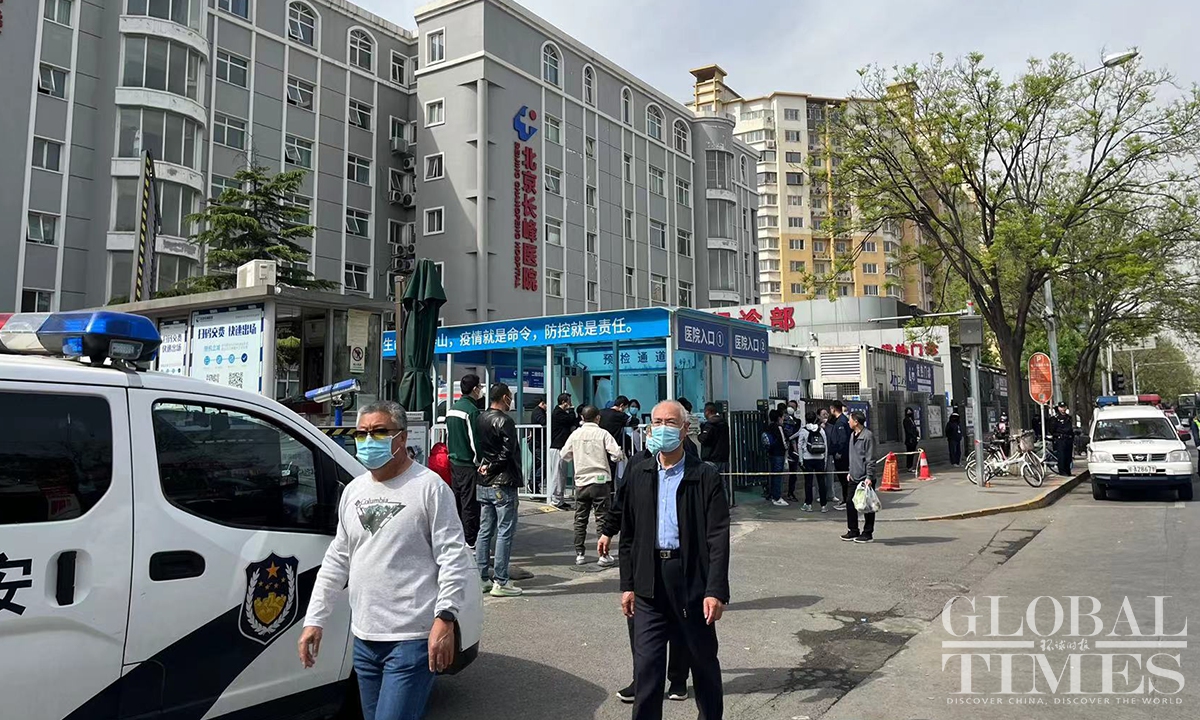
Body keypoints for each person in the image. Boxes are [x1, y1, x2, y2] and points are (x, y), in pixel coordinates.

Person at [300, 401, 474, 720]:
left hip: (411, 641)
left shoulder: (430, 489)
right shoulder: (354, 491)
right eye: (362, 432)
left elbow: (453, 556)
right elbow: (338, 559)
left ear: (402, 437)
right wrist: (315, 619)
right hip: (365, 640)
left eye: (380, 432)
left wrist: (445, 618)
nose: (369, 440)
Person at [620, 400, 730, 720]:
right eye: (657, 422)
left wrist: (715, 589)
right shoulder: (639, 471)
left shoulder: (704, 476)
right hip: (649, 582)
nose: (663, 428)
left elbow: (717, 538)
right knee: (647, 667)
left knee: (703, 663)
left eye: (671, 422)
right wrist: (627, 585)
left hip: (690, 579)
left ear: (685, 429)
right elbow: (629, 535)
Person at [475, 383, 524, 597]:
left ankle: (481, 576)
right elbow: (507, 453)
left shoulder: (480, 418)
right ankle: (501, 581)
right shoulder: (505, 421)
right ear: (505, 398)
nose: (511, 400)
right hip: (503, 481)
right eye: (510, 397)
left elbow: (481, 448)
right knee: (505, 531)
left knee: (485, 531)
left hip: (484, 480)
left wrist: (486, 467)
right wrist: (493, 467)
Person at [561, 404, 625, 566]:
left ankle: (580, 554)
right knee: (602, 517)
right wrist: (613, 459)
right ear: (598, 418)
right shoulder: (603, 433)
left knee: (580, 518)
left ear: (582, 417)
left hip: (581, 481)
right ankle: (603, 555)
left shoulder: (576, 434)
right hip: (600, 480)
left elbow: (564, 454)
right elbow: (616, 453)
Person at [445, 373, 484, 547]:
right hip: (469, 464)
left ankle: (457, 537)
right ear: (475, 389)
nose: (481, 390)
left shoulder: (452, 409)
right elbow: (475, 439)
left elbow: (449, 437)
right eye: (480, 387)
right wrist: (480, 462)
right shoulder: (471, 411)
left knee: (457, 502)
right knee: (470, 505)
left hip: (454, 462)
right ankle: (470, 541)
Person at [842, 410, 877, 544]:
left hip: (865, 477)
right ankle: (853, 530)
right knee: (850, 502)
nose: (848, 422)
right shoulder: (852, 435)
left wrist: (869, 476)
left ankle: (867, 532)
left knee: (867, 506)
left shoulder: (868, 436)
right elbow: (853, 456)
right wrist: (850, 472)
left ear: (856, 421)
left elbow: (870, 457)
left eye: (850, 419)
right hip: (854, 475)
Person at [546, 393, 579, 510]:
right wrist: (571, 410)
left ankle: (560, 499)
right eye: (569, 401)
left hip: (562, 447)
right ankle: (555, 500)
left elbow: (573, 421)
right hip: (557, 447)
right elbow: (571, 420)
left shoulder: (561, 413)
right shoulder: (558, 413)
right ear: (564, 402)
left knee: (562, 474)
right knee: (557, 474)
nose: (570, 403)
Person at [796, 410, 829, 512]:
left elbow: (800, 446)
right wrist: (825, 460)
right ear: (815, 419)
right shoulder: (821, 430)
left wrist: (801, 460)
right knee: (821, 482)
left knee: (808, 482)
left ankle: (808, 504)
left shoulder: (804, 430)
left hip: (807, 459)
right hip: (820, 458)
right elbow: (825, 445)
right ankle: (824, 505)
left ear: (806, 419)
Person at [828, 401, 852, 510]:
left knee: (844, 479)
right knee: (843, 479)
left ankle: (847, 501)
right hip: (842, 454)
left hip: (842, 456)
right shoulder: (840, 420)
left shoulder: (841, 422)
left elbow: (842, 439)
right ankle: (845, 499)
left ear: (833, 409)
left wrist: (839, 452)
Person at [764, 409, 789, 506]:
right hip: (779, 454)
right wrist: (786, 450)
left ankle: (772, 494)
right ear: (779, 418)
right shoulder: (779, 427)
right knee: (778, 475)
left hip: (771, 453)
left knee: (773, 475)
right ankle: (777, 497)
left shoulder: (769, 427)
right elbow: (783, 441)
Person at [699, 402, 730, 475]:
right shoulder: (724, 423)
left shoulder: (709, 425)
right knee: (723, 482)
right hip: (723, 458)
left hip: (711, 459)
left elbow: (703, 439)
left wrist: (699, 434)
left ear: (708, 412)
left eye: (705, 411)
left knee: (710, 482)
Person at [1051, 402, 1075, 476]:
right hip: (1060, 439)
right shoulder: (1055, 418)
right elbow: (1051, 429)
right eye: (1061, 407)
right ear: (1058, 408)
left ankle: (1068, 471)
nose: (1063, 409)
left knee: (1068, 456)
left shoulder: (1068, 418)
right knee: (1062, 456)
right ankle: (1062, 471)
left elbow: (1071, 429)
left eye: (1064, 407)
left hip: (1068, 439)